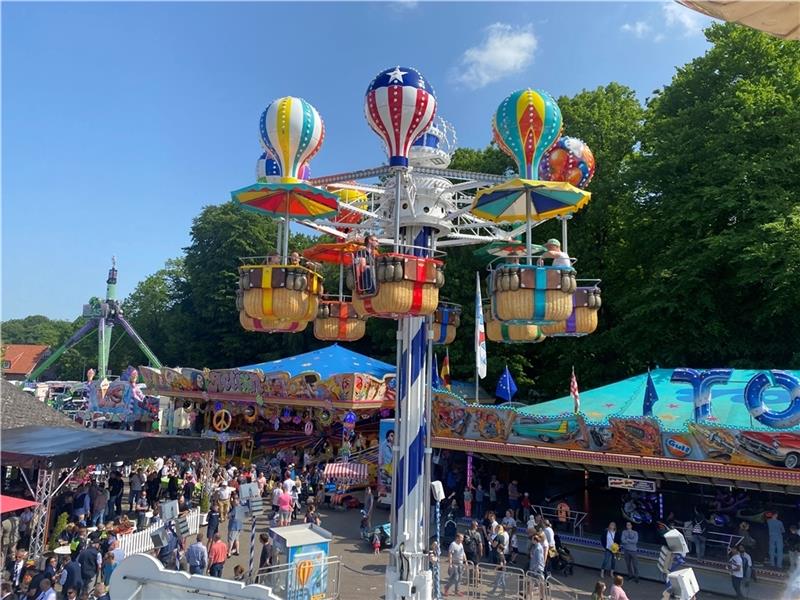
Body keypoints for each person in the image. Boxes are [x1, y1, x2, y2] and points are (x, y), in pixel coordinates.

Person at [444, 533, 466, 597]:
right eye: (461, 538)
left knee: (460, 578)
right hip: (454, 563)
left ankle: (457, 591)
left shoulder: (461, 544)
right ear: (457, 538)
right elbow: (450, 554)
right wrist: (450, 564)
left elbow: (463, 553)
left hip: (460, 563)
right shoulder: (453, 544)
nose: (463, 539)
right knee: (455, 578)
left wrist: (466, 561)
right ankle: (446, 588)